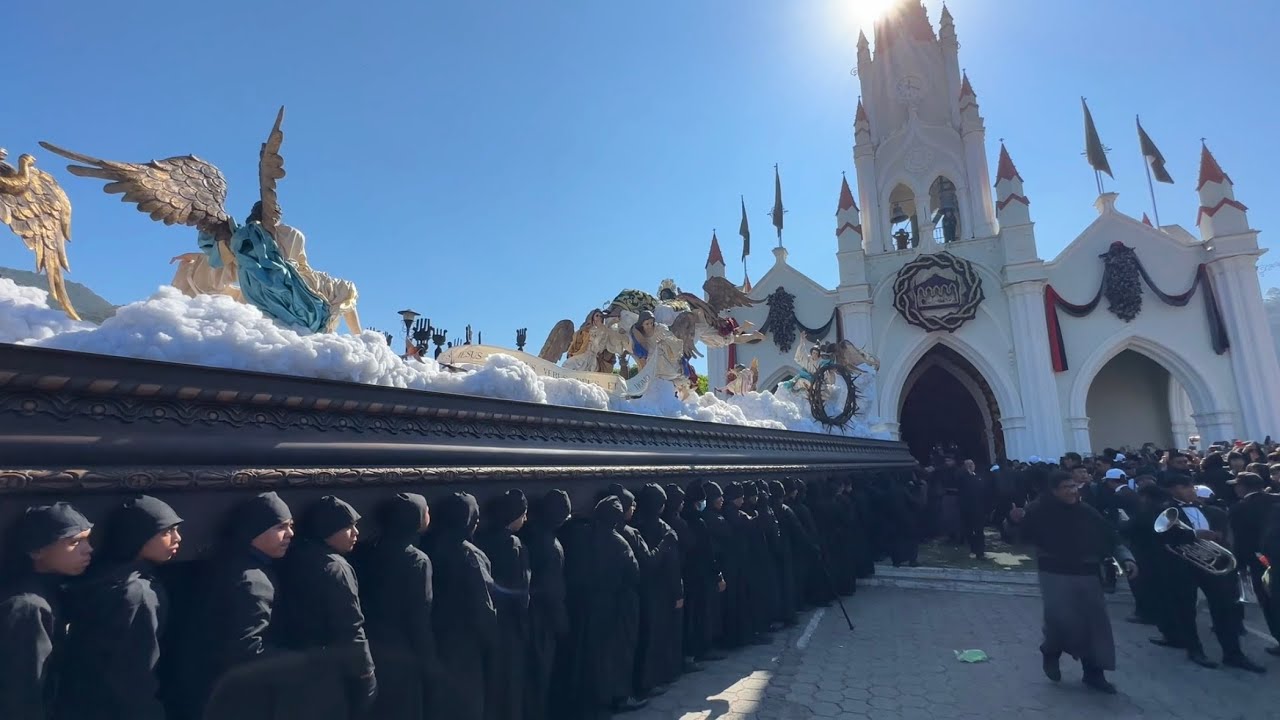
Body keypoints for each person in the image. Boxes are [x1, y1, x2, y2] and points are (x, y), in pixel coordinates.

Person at [190, 492, 349, 720]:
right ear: (256, 529)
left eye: (291, 526)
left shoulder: (231, 564)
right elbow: (246, 649)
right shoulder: (252, 581)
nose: (290, 534)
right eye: (280, 527)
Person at [58, 495, 183, 720]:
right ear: (139, 537)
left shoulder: (102, 577)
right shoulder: (137, 595)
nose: (177, 538)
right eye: (166, 532)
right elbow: (133, 673)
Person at [1011, 470, 1136, 693]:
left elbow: (1110, 536)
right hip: (1055, 573)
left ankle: (1094, 673)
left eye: (1073, 486)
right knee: (1060, 621)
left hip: (1088, 573)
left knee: (1094, 625)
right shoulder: (1039, 511)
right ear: (1054, 491)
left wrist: (1126, 558)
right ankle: (1051, 651)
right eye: (1066, 487)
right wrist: (1013, 520)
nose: (1072, 491)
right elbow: (1021, 536)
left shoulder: (1086, 511)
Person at [1153, 474, 1265, 673]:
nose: (1191, 490)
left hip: (1211, 564)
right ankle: (1194, 649)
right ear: (1172, 490)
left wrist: (1219, 536)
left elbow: (1221, 530)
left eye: (1191, 486)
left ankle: (1233, 653)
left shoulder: (1208, 508)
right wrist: (1194, 535)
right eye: (1184, 486)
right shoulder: (1164, 509)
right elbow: (1161, 535)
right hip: (1182, 566)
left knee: (1224, 608)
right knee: (1186, 609)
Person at [276, 496, 378, 714]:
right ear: (328, 529)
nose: (356, 533)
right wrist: (366, 672)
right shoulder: (336, 568)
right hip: (329, 669)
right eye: (348, 527)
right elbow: (350, 625)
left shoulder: (294, 557)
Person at [0, 503, 93, 719]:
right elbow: (21, 692)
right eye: (75, 542)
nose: (88, 549)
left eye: (88, 539)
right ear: (37, 551)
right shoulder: (28, 607)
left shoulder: (52, 592)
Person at [357, 492, 436, 720]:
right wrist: (428, 660)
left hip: (374, 646)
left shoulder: (370, 549)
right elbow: (419, 614)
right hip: (403, 651)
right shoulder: (417, 560)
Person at [423, 492, 498, 720]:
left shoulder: (428, 544)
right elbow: (482, 605)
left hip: (436, 635)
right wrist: (491, 639)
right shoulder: (470, 555)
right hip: (463, 642)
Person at [475, 489, 532, 720]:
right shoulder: (515, 545)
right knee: (510, 681)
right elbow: (522, 590)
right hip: (509, 624)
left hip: (488, 620)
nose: (525, 519)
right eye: (522, 514)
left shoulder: (482, 538)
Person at [519, 490, 572, 720]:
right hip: (543, 620)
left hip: (527, 615)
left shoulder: (529, 534)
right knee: (541, 675)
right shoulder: (552, 546)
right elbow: (553, 591)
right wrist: (562, 624)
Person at [631, 484, 684, 693]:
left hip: (641, 588)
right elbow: (672, 565)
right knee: (656, 635)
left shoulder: (636, 525)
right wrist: (678, 592)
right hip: (660, 590)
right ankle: (651, 680)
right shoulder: (664, 530)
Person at [1228, 472, 1280, 654]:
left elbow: (1241, 541)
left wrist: (1240, 566)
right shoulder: (1277, 499)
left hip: (1260, 561)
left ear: (1242, 487)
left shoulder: (1238, 509)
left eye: (1236, 485)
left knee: (1271, 603)